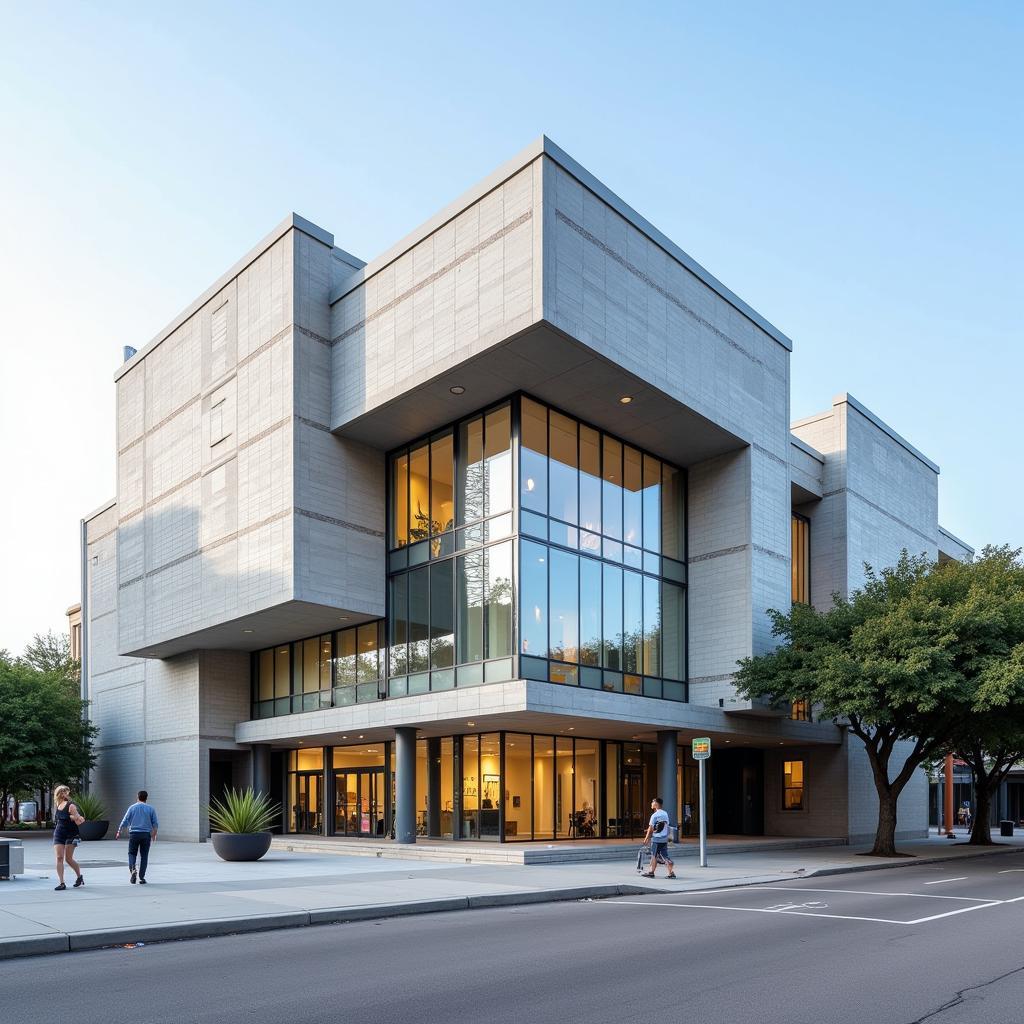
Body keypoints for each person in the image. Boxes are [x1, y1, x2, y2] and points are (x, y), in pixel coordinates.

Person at [115, 790, 159, 884]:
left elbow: (125, 820)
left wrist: (119, 831)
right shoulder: (151, 809)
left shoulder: (132, 808)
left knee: (132, 853)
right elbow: (155, 823)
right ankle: (141, 877)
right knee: (144, 856)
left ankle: (133, 870)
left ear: (137, 797)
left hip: (134, 834)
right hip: (146, 835)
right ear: (146, 798)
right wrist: (154, 835)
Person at [51, 785, 85, 891]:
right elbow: (61, 818)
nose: (64, 794)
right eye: (62, 792)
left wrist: (77, 818)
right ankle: (62, 883)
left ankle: (79, 876)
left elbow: (79, 821)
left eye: (65, 792)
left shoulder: (71, 806)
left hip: (71, 834)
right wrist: (70, 817)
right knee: (59, 858)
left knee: (68, 859)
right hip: (59, 833)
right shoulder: (57, 804)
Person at [641, 796, 675, 879]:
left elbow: (651, 828)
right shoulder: (665, 813)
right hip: (664, 839)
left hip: (657, 839)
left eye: (652, 802)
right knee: (664, 855)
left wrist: (646, 838)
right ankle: (671, 873)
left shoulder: (654, 815)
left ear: (656, 804)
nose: (651, 804)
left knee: (654, 855)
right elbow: (664, 825)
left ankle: (651, 872)